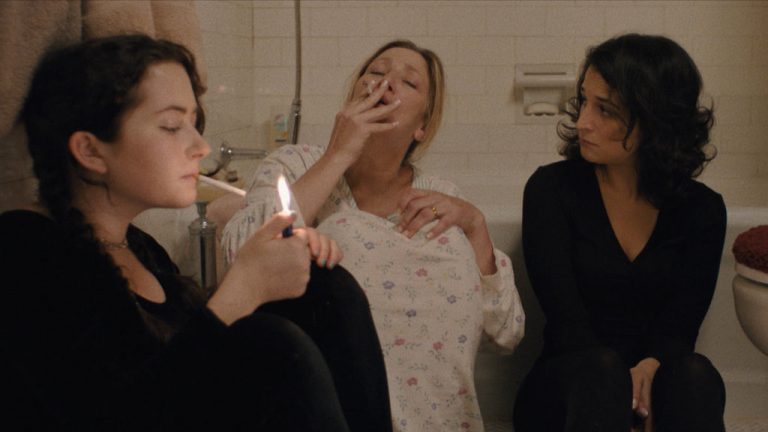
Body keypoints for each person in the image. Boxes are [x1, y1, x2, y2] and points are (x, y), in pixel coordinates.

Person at [0, 34, 392, 431]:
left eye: (194, 122)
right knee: (271, 342)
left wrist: (274, 268)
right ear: (90, 150)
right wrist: (245, 287)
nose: (201, 146)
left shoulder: (143, 249)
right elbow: (120, 414)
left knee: (323, 289)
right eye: (172, 126)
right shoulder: (24, 250)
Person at [221, 39, 525, 432]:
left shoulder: (439, 197)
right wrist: (339, 154)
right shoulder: (294, 164)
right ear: (352, 99)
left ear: (421, 127)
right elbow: (240, 255)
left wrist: (476, 225)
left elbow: (506, 330)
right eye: (376, 73)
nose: (386, 83)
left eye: (409, 82)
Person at [513, 34, 727, 432]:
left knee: (695, 375)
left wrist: (649, 367)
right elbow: (567, 323)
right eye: (584, 101)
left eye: (605, 110)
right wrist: (620, 390)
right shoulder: (551, 191)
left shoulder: (703, 210)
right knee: (602, 372)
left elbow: (681, 326)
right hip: (569, 384)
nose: (583, 122)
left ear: (655, 121)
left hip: (655, 380)